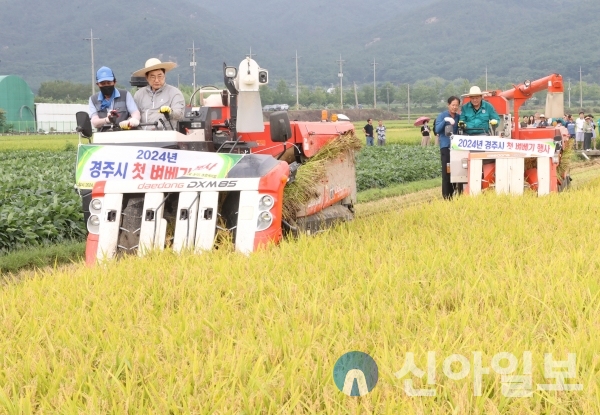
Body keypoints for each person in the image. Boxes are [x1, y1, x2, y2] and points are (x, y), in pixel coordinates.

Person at [133, 58, 185, 130]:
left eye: (160, 76)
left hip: (166, 136)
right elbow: (134, 114)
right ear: (146, 77)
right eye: (152, 76)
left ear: (164, 75)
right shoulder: (139, 94)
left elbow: (179, 114)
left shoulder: (175, 93)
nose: (157, 80)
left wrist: (170, 112)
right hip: (143, 136)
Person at [88, 66, 140, 131]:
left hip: (124, 134)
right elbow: (94, 122)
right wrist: (106, 120)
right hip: (103, 136)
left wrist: (133, 120)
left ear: (114, 82)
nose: (106, 85)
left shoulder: (125, 95)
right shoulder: (93, 100)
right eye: (103, 83)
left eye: (109, 83)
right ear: (98, 84)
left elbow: (135, 112)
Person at [434, 96, 461, 200]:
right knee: (447, 172)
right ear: (448, 105)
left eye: (456, 105)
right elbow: (437, 129)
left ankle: (455, 192)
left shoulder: (458, 117)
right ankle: (446, 196)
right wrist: (445, 121)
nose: (454, 107)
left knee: (456, 171)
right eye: (453, 105)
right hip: (446, 148)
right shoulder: (442, 116)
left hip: (457, 148)